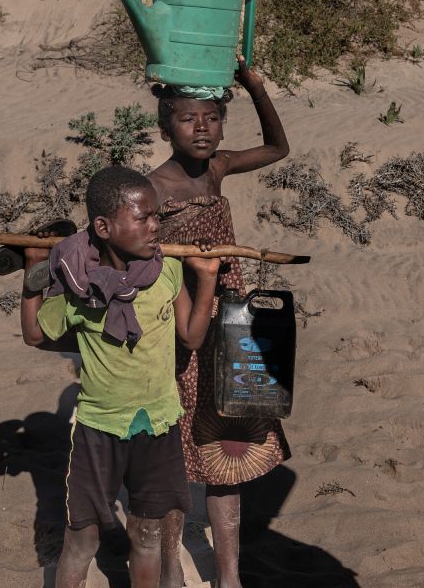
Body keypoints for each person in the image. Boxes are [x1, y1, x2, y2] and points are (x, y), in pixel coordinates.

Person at [19, 165, 220, 588]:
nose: (154, 226)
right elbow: (36, 333)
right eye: (143, 217)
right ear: (104, 227)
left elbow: (192, 336)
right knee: (82, 538)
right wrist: (33, 275)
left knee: (146, 534)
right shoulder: (82, 286)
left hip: (159, 423)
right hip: (99, 429)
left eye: (157, 217)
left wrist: (206, 279)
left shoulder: (166, 272)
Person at [147, 55, 292, 588]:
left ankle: (229, 574)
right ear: (166, 127)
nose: (202, 128)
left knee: (227, 444)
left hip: (233, 323)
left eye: (210, 117)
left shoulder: (217, 169)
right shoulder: (152, 190)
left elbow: (279, 147)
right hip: (182, 329)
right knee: (178, 453)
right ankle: (170, 572)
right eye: (187, 119)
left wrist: (254, 84)